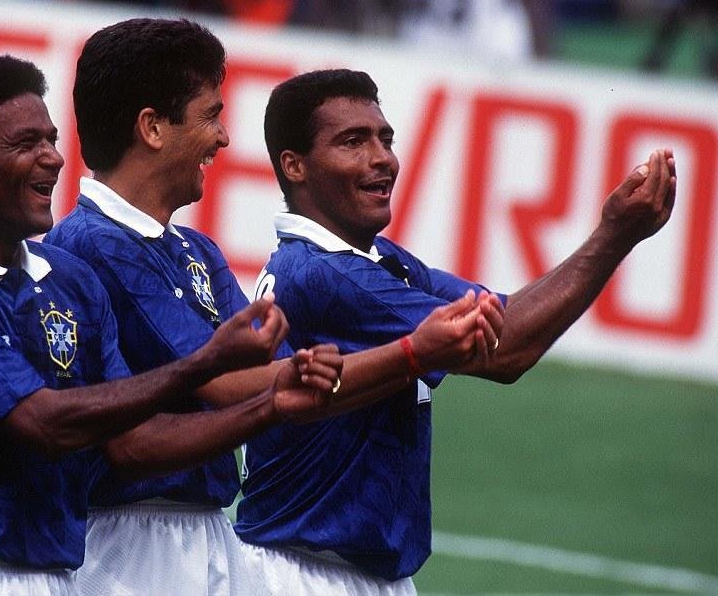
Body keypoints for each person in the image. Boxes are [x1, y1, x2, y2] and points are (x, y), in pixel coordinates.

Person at [0, 55, 345, 595]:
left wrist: (269, 406)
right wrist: (207, 362)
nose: (53, 158)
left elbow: (132, 443)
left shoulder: (70, 281)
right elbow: (45, 425)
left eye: (52, 139)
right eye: (26, 144)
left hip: (55, 581)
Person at [45, 19, 504, 595]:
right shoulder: (92, 243)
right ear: (153, 127)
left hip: (206, 533)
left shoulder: (196, 250)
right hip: (129, 546)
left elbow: (283, 376)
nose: (223, 138)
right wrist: (411, 353)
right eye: (211, 116)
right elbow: (230, 384)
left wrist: (366, 364)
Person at [234, 68, 677, 594]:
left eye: (385, 139)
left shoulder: (375, 260)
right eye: (353, 142)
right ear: (295, 166)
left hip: (353, 572)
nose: (382, 158)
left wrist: (613, 233)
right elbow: (505, 350)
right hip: (304, 575)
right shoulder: (325, 275)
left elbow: (501, 316)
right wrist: (614, 235)